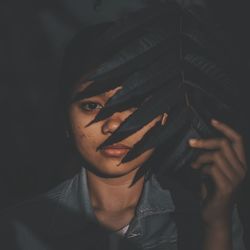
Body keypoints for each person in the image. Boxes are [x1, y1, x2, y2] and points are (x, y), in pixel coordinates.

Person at [0, 1, 247, 250]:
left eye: (134, 104)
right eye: (91, 106)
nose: (114, 125)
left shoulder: (207, 216)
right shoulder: (19, 228)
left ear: (163, 116)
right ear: (66, 120)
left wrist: (215, 225)